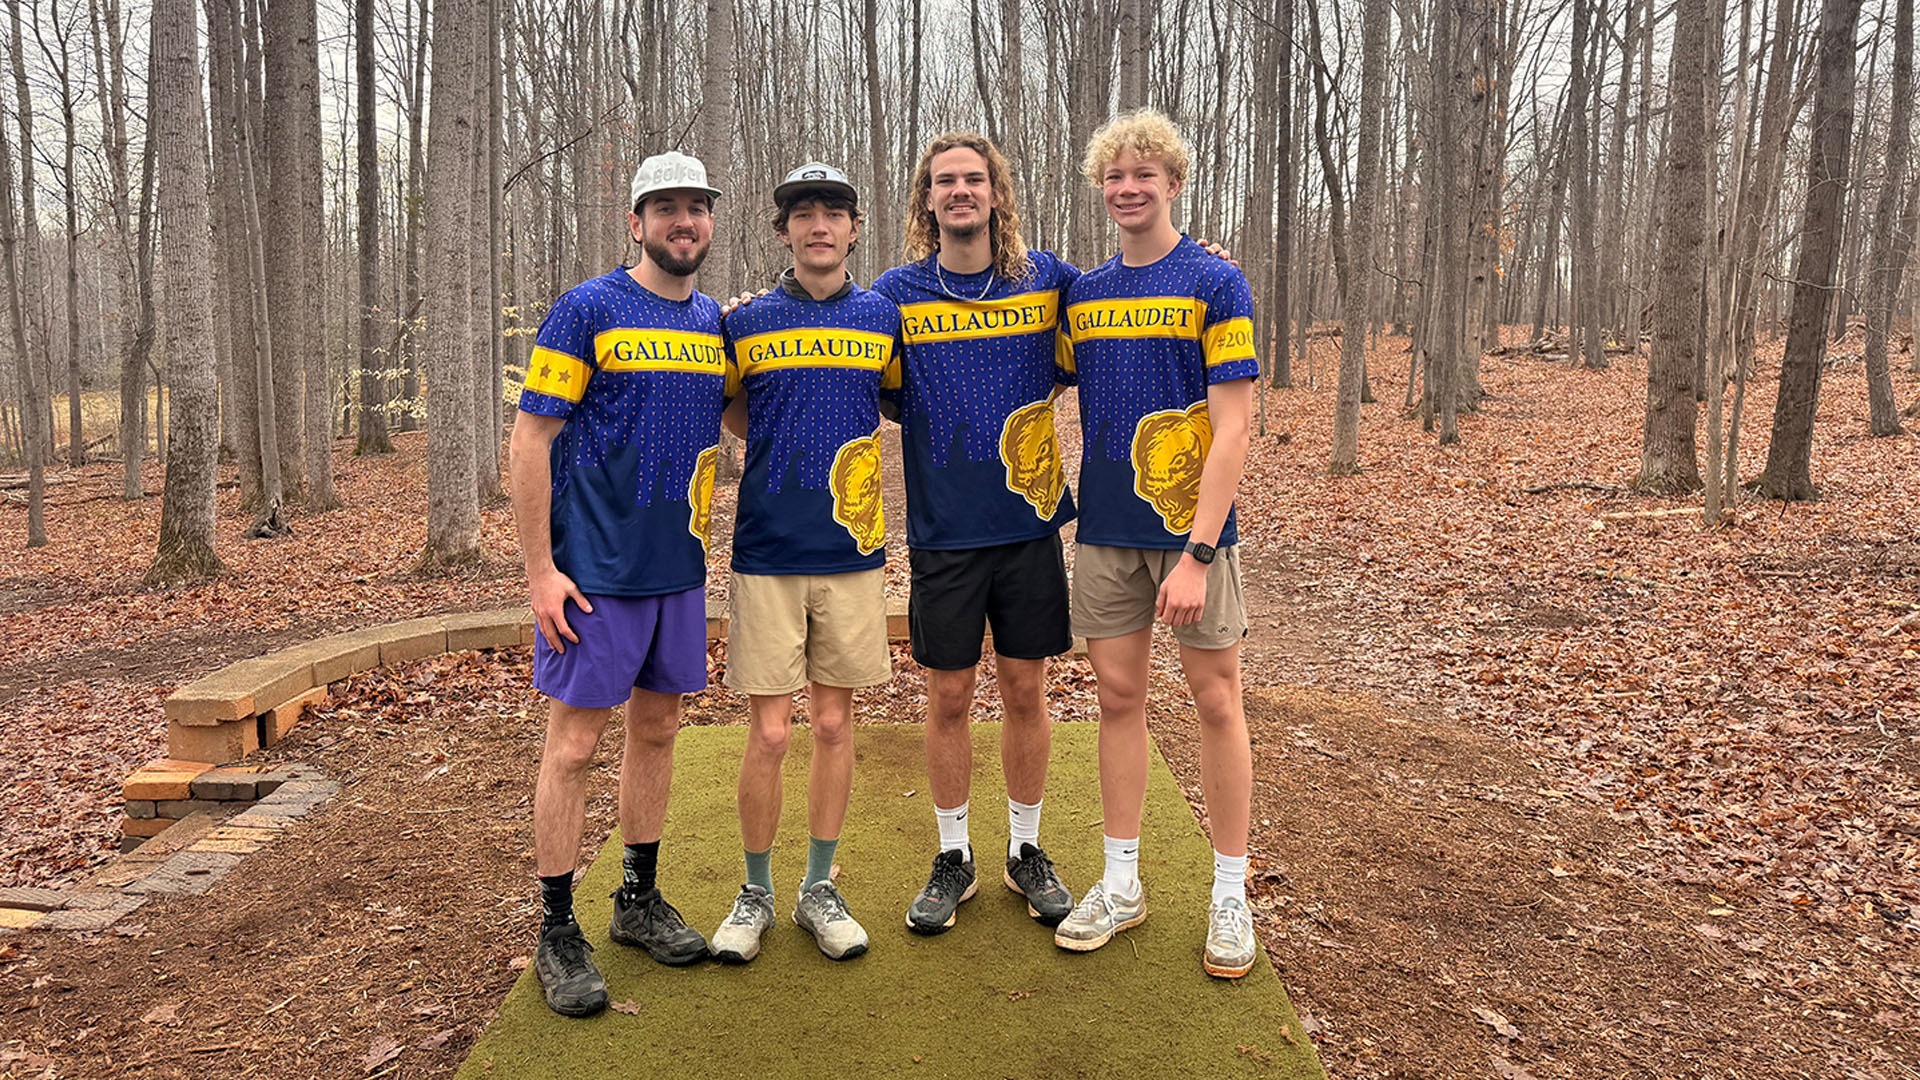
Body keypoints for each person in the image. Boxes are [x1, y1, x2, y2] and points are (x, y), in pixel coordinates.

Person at [508, 151, 729, 1017]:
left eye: (697, 208)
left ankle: (636, 899)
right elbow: (531, 441)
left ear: (711, 222)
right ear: (635, 222)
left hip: (678, 567)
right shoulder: (587, 307)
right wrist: (540, 571)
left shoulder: (716, 320)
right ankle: (556, 926)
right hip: (593, 575)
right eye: (665, 208)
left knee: (661, 729)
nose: (684, 222)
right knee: (572, 746)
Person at [1053, 109, 1260, 979]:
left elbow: (1237, 427)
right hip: (1103, 531)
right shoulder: (1084, 295)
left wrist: (1198, 553)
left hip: (1191, 537)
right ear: (1102, 189)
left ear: (1174, 183)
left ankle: (1229, 893)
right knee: (1116, 700)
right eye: (1114, 177)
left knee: (1216, 700)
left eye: (1145, 175)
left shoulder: (1217, 283)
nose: (1128, 189)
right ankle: (1124, 880)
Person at [872, 134, 1081, 934]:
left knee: (1027, 690)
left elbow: (1136, 293)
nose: (961, 191)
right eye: (945, 181)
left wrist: (1200, 257)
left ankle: (1025, 851)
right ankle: (954, 857)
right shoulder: (894, 296)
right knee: (950, 695)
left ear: (998, 193)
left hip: (1028, 527)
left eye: (975, 179)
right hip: (943, 533)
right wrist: (748, 311)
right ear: (927, 199)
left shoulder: (1047, 281)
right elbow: (836, 340)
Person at [707, 163, 902, 963]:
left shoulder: (884, 317)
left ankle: (818, 886)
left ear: (855, 229)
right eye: (803, 214)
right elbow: (732, 408)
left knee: (831, 723)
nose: (819, 225)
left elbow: (896, 401)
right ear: (784, 230)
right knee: (771, 733)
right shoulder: (743, 322)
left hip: (853, 553)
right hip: (766, 550)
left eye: (834, 213)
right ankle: (754, 891)